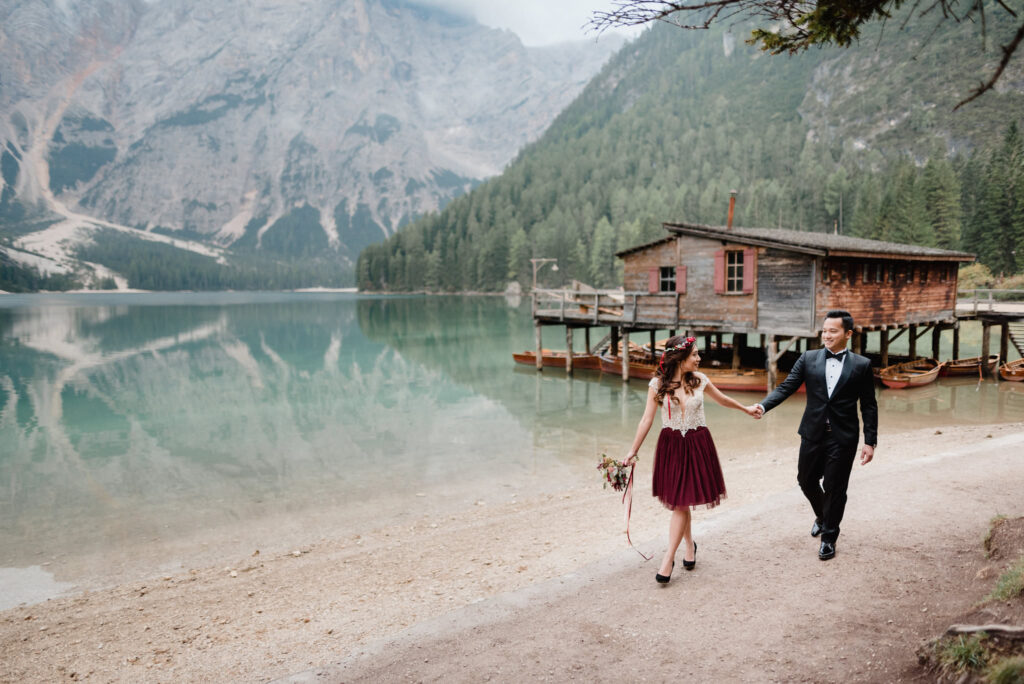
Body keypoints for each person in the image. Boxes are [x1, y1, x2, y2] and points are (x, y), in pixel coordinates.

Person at [625, 335, 762, 584]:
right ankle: (689, 545)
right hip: (672, 446)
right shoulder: (657, 384)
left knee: (681, 503)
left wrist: (746, 409)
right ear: (681, 358)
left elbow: (722, 400)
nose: (699, 358)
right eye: (695, 354)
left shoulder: (700, 380)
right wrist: (632, 451)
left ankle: (668, 558)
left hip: (698, 444)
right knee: (681, 502)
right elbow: (646, 419)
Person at [754, 310, 878, 561]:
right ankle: (822, 515)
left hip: (843, 437)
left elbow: (869, 405)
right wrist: (764, 406)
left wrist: (870, 441)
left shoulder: (862, 365)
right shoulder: (808, 358)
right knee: (806, 480)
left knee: (835, 488)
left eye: (833, 331)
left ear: (848, 334)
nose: (827, 335)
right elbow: (787, 386)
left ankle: (829, 537)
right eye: (824, 331)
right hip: (812, 433)